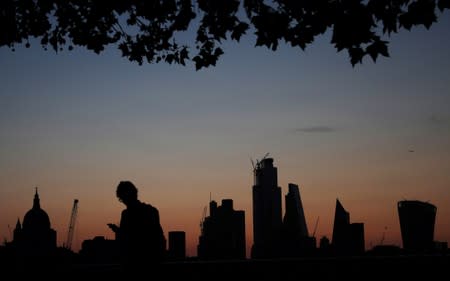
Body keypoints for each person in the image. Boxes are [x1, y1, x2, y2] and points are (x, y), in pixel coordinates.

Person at [108, 180, 166, 275]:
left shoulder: (126, 215)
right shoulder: (152, 211)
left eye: (122, 199)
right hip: (152, 264)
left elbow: (127, 240)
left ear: (123, 198)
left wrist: (118, 231)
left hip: (133, 265)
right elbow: (159, 238)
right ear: (136, 193)